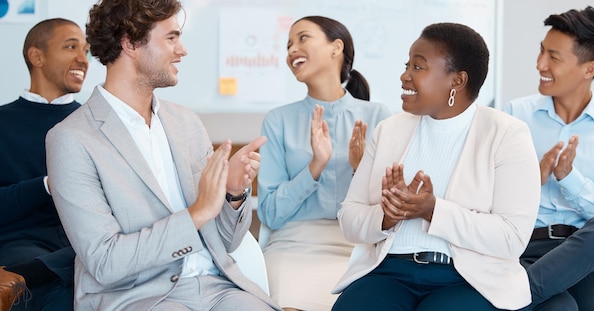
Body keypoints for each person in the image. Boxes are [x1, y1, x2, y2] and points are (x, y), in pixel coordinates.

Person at [45, 1, 280, 310]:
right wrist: (197, 212)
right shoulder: (70, 139)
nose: (181, 50)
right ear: (129, 43)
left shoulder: (187, 122)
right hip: (137, 296)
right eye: (171, 38)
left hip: (219, 289)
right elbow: (104, 262)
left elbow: (224, 242)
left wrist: (232, 194)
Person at [331, 22, 541, 311]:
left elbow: (511, 238)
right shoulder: (389, 130)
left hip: (469, 279)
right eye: (408, 65)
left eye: (418, 67)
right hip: (389, 274)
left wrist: (432, 210)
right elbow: (349, 219)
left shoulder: (507, 134)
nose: (404, 76)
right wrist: (387, 217)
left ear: (457, 81)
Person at [257, 15, 391, 311]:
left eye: (302, 38)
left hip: (360, 245)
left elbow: (389, 207)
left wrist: (360, 168)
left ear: (336, 48)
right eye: (288, 44)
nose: (292, 50)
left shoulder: (378, 117)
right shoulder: (278, 120)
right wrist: (315, 166)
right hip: (294, 245)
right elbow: (270, 214)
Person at [503, 6, 594, 310]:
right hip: (527, 250)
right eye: (541, 52)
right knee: (561, 308)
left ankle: (512, 296)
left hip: (589, 261)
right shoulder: (514, 116)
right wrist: (534, 178)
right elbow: (488, 196)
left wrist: (569, 178)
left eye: (553, 57)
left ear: (589, 69)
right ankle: (526, 294)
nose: (540, 64)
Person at [0, 17, 89, 310]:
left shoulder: (96, 124)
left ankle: (33, 274)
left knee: (89, 261)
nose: (83, 59)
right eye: (71, 46)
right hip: (21, 248)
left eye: (86, 50)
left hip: (85, 246)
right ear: (36, 56)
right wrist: (47, 185)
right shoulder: (3, 122)